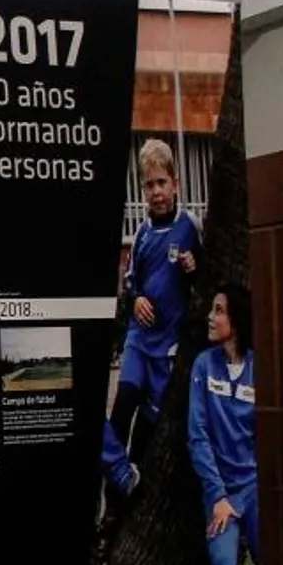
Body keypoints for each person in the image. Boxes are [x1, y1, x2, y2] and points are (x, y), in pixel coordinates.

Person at [104, 138, 200, 497]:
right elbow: (131, 282)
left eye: (162, 183)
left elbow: (206, 279)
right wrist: (137, 299)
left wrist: (194, 267)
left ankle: (131, 491)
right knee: (123, 404)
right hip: (140, 341)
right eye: (149, 185)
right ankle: (113, 492)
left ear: (175, 184)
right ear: (142, 189)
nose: (156, 192)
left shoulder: (189, 226)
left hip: (168, 347)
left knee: (148, 429)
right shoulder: (142, 234)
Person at [188, 282, 258, 565]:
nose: (211, 318)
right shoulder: (203, 366)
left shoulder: (259, 367)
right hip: (219, 496)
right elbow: (197, 436)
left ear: (237, 320)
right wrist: (217, 495)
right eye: (212, 309)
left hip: (256, 489)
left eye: (219, 311)